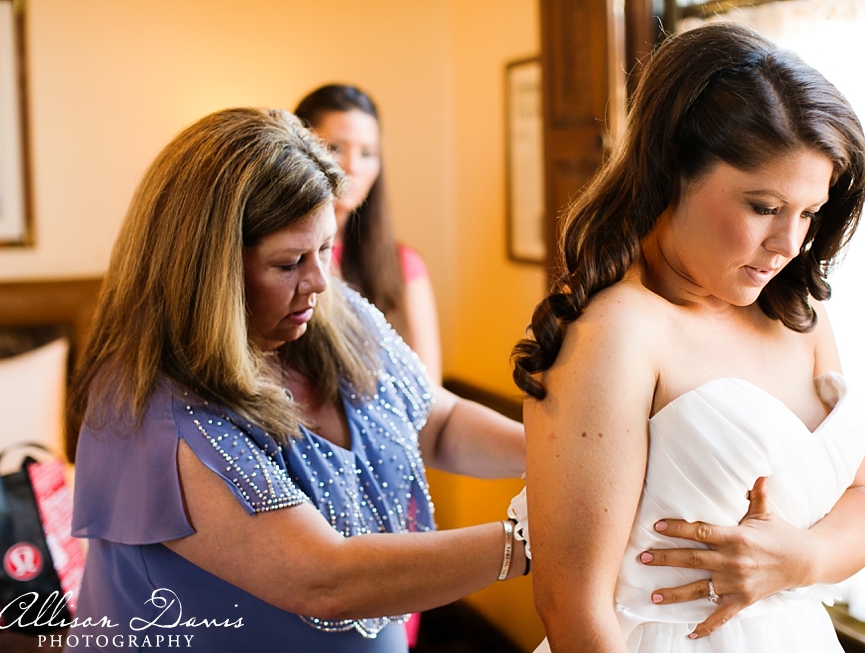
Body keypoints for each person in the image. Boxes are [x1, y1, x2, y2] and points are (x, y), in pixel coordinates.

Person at [64, 107, 527, 652]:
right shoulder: (157, 415)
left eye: (325, 248)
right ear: (209, 272)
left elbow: (437, 422)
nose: (319, 280)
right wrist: (534, 541)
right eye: (288, 263)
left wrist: (558, 455)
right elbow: (326, 579)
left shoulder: (333, 314)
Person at [508, 22, 865, 652]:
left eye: (809, 213)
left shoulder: (800, 314)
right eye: (764, 207)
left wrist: (800, 560)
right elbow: (570, 606)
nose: (788, 245)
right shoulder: (617, 334)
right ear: (672, 169)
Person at [294, 84, 442, 383]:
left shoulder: (402, 264)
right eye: (335, 148)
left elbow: (428, 386)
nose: (353, 167)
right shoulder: (276, 258)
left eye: (367, 153)